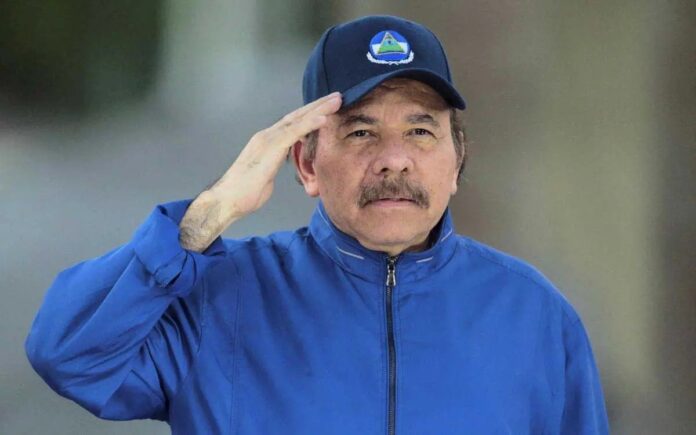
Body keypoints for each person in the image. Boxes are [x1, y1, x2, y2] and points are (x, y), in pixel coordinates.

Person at [25, 15, 610, 435]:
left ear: (457, 161)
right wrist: (207, 216)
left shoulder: (535, 314)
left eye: (420, 131)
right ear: (306, 164)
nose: (394, 159)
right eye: (361, 132)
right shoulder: (217, 298)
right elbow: (69, 356)